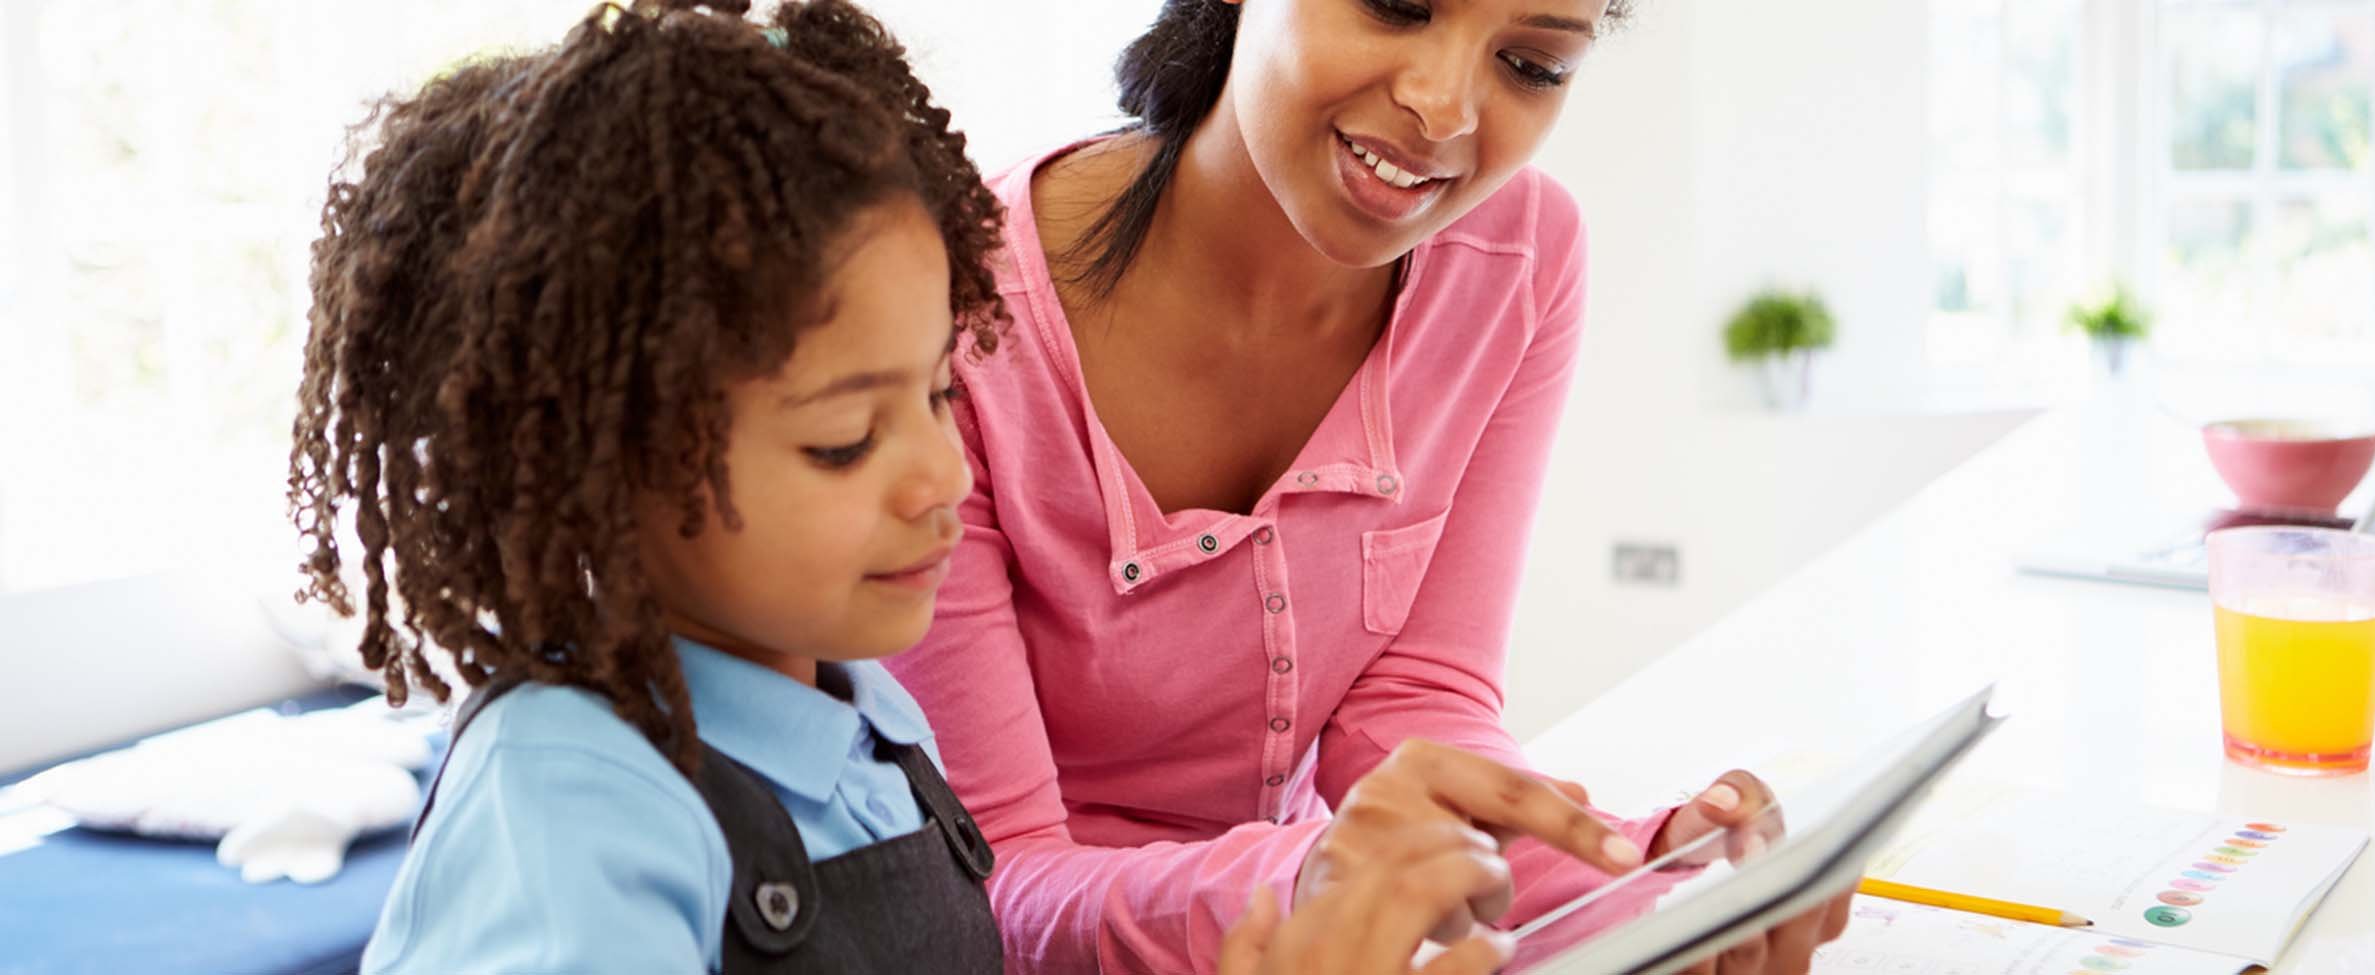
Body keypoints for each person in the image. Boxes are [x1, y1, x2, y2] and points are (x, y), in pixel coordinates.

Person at [287, 2, 1642, 972]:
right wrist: (1292, 895)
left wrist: (1630, 880)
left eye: (938, 390)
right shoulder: (568, 806)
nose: (948, 467)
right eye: (842, 440)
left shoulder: (871, 731)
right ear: (584, 459)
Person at [885, 0, 1855, 971]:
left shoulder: (1518, 260)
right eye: (1396, 5)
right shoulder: (942, 308)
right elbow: (989, 880)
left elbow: (1412, 699)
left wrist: (1637, 878)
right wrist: (1314, 878)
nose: (1444, 109)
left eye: (1529, 63)